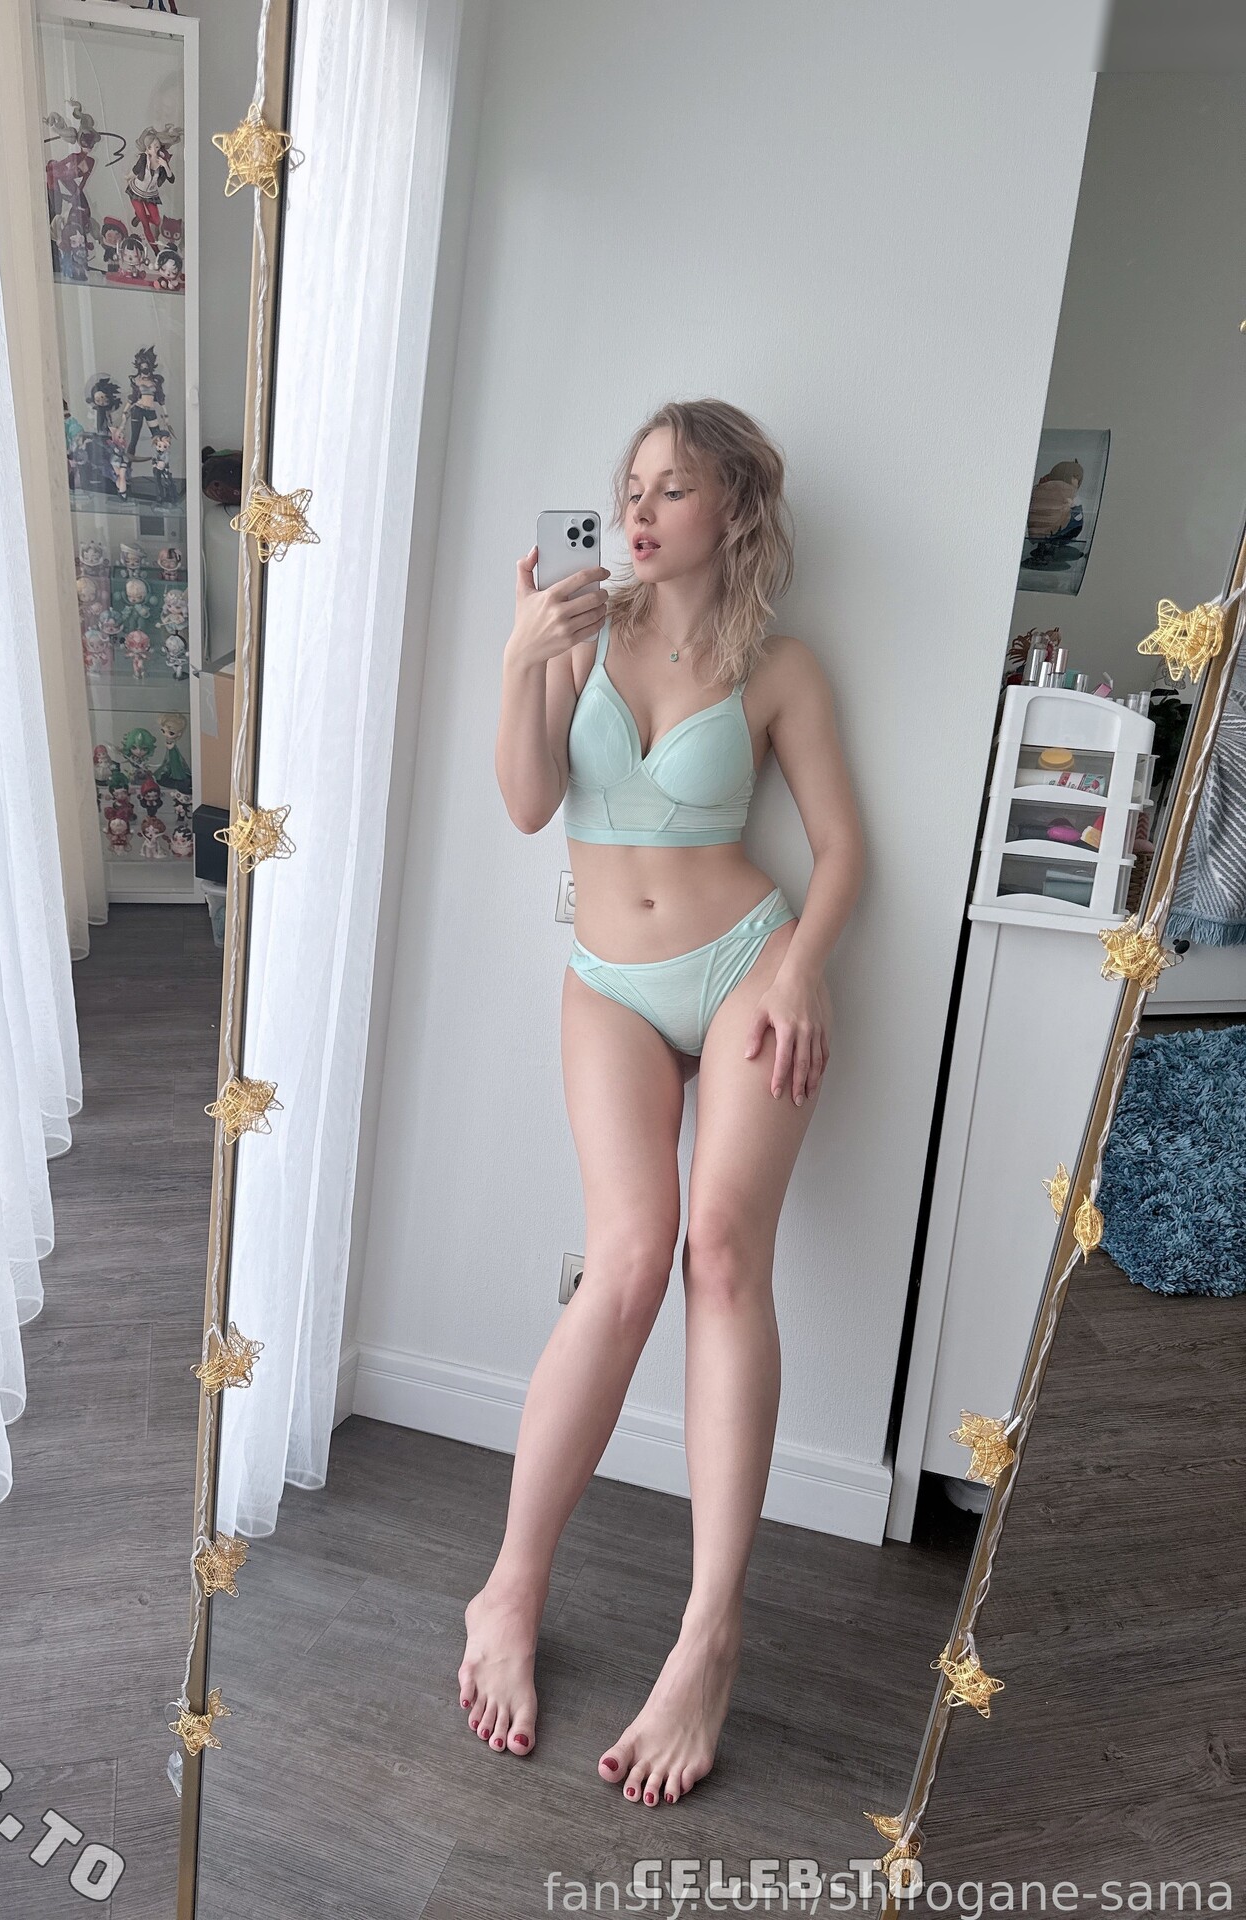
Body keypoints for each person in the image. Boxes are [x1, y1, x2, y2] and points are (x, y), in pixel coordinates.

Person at [463, 398, 865, 1808]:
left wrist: (802, 973)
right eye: (630, 486)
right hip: (610, 985)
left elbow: (844, 850)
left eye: (673, 489)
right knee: (628, 1260)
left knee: (723, 1258)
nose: (638, 512)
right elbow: (527, 806)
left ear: (734, 509)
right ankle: (509, 1590)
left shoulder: (779, 664)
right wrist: (522, 656)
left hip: (747, 964)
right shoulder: (583, 630)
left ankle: (709, 1637)